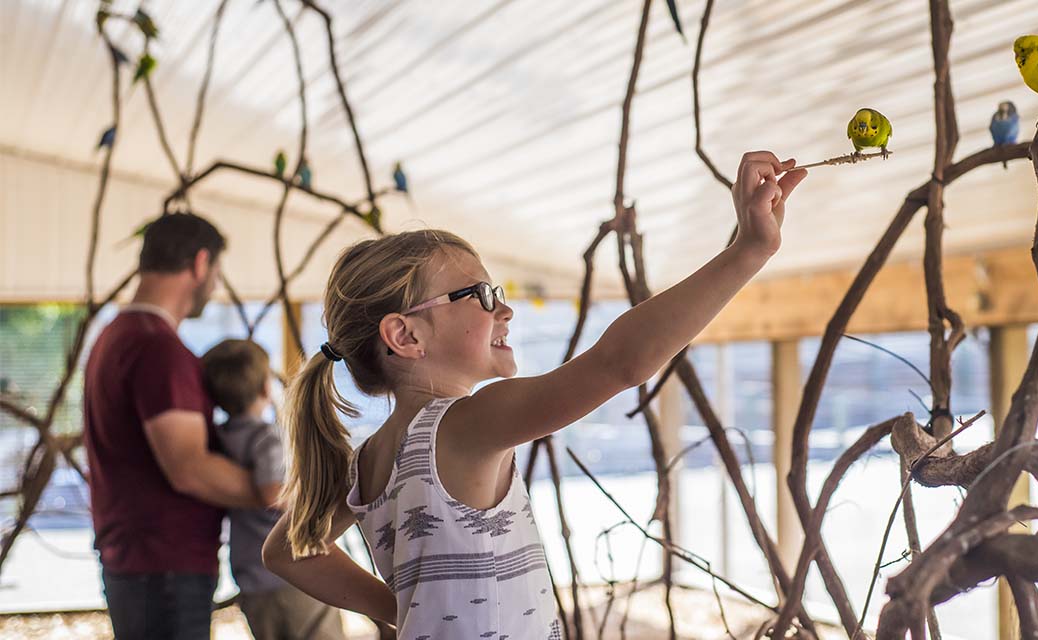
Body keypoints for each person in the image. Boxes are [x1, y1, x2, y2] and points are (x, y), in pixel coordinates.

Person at [263, 152, 806, 639]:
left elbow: (287, 551)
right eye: (477, 294)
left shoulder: (369, 461)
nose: (504, 308)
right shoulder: (465, 426)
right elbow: (620, 362)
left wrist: (403, 609)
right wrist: (747, 252)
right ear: (406, 336)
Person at [83, 212, 265, 640]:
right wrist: (284, 495)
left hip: (142, 563)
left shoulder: (115, 335)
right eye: (216, 272)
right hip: (162, 567)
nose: (215, 284)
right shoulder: (156, 347)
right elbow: (189, 466)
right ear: (201, 263)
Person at [202, 339, 346, 640]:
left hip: (252, 577)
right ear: (266, 388)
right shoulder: (266, 438)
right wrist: (320, 497)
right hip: (292, 574)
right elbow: (272, 492)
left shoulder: (219, 438)